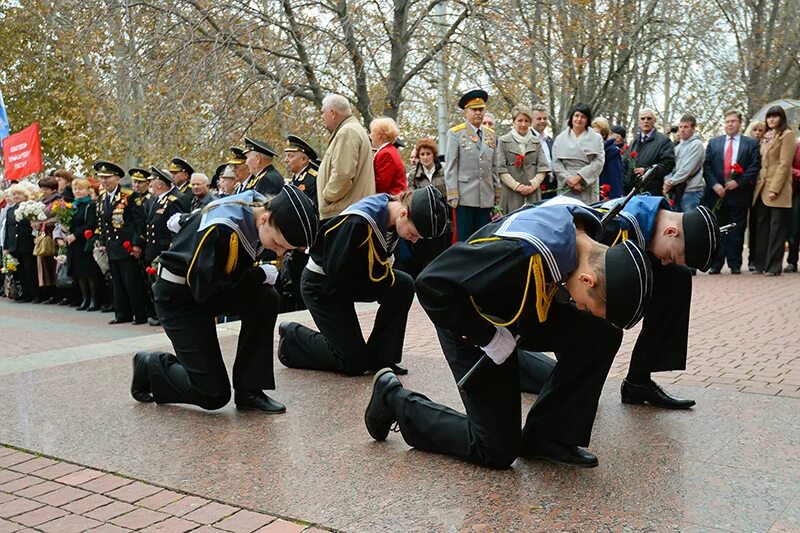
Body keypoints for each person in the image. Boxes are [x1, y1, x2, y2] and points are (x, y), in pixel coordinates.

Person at [364, 201, 654, 468]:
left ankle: (549, 436)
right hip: (469, 321)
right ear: (587, 279)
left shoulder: (584, 235)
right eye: (587, 304)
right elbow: (431, 284)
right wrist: (489, 338)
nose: (580, 308)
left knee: (601, 332)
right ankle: (395, 400)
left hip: (516, 313)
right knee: (497, 449)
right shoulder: (519, 253)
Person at [517, 195, 721, 410]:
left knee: (676, 276)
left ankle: (638, 382)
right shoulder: (616, 228)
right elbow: (572, 291)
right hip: (539, 303)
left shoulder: (653, 216)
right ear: (671, 231)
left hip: (588, 280)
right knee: (596, 314)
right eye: (670, 254)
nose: (665, 260)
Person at [130, 186, 319, 413]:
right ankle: (151, 366)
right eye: (278, 244)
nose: (279, 253)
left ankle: (250, 388)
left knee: (265, 297)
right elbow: (209, 293)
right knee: (212, 394)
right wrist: (259, 274)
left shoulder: (256, 205)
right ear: (266, 219)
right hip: (180, 297)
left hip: (207, 286)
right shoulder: (224, 230)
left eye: (285, 250)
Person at [277, 187, 449, 377]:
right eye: (414, 233)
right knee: (353, 362)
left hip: (354, 279)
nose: (414, 240)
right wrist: (377, 281)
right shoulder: (359, 221)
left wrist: (380, 280)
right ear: (403, 213)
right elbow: (337, 272)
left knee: (403, 285)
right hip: (323, 285)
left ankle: (382, 357)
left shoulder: (391, 212)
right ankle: (292, 338)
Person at [703, 110, 761, 274]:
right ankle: (716, 263)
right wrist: (715, 185)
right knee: (718, 229)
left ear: (740, 123)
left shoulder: (750, 144)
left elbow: (754, 166)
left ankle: (735, 263)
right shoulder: (714, 143)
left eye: (733, 121)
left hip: (739, 193)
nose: (730, 124)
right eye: (727, 121)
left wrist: (739, 182)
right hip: (717, 194)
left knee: (737, 229)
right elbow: (706, 167)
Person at [94, 160, 148, 325]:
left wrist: (137, 243)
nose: (104, 181)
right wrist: (101, 241)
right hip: (112, 246)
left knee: (132, 281)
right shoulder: (103, 198)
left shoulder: (130, 196)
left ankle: (139, 314)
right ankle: (122, 313)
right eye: (101, 178)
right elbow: (103, 223)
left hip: (127, 246)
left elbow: (140, 222)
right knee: (116, 282)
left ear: (117, 178)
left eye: (107, 177)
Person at [445, 89, 498, 241]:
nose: (478, 113)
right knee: (465, 240)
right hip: (465, 196)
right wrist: (452, 193)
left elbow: (494, 165)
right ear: (466, 112)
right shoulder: (456, 133)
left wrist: (497, 190)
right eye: (474, 110)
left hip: (486, 196)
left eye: (481, 109)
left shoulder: (490, 134)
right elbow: (451, 166)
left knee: (483, 239)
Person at [752, 106, 796, 275]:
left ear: (781, 118)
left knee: (777, 228)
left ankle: (774, 267)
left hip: (778, 188)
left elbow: (785, 165)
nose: (771, 120)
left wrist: (775, 189)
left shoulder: (787, 135)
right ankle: (760, 264)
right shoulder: (766, 137)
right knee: (762, 226)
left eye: (775, 117)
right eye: (769, 117)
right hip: (761, 188)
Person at [317, 94, 375, 220]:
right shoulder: (351, 129)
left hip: (343, 213)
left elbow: (343, 174)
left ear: (332, 113)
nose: (322, 117)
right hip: (349, 211)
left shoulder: (347, 132)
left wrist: (327, 197)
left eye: (323, 112)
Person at [405, 138, 451, 274]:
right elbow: (411, 197)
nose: (425, 157)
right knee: (423, 255)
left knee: (442, 254)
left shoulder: (444, 170)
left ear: (434, 155)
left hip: (443, 220)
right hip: (423, 221)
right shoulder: (413, 175)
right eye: (422, 154)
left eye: (428, 154)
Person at [495, 105, 549, 213]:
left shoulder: (536, 141)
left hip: (532, 193)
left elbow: (543, 167)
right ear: (513, 122)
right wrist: (517, 187)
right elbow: (501, 169)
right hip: (511, 193)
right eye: (520, 120)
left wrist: (532, 185)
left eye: (526, 121)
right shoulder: (503, 141)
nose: (523, 124)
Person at [552, 102, 605, 203]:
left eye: (583, 117)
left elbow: (599, 161)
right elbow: (556, 163)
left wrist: (580, 177)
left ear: (587, 120)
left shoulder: (596, 138)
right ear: (571, 117)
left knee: (587, 215)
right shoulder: (560, 138)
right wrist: (569, 180)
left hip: (587, 183)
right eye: (576, 115)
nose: (579, 119)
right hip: (566, 185)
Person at [65, 178, 103, 311]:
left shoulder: (91, 205)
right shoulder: (73, 205)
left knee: (89, 273)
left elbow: (91, 223)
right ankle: (85, 298)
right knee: (79, 273)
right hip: (73, 243)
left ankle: (94, 299)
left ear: (88, 190)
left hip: (85, 242)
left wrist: (76, 235)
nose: (77, 191)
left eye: (80, 189)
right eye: (75, 189)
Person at [625, 109, 675, 196]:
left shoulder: (663, 141)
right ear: (639, 121)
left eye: (649, 118)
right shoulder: (634, 142)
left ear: (654, 121)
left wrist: (646, 171)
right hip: (632, 192)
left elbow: (668, 164)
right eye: (643, 118)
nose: (646, 121)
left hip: (651, 192)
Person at [2, 184, 38, 302]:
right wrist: (6, 246)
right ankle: (25, 292)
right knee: (20, 271)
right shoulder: (10, 210)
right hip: (14, 244)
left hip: (27, 243)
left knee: (30, 270)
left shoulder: (30, 207)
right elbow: (8, 228)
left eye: (19, 194)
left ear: (25, 195)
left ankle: (35, 294)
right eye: (14, 194)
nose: (17, 196)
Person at [663, 114, 705, 213]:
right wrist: (667, 179)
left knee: (689, 225)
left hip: (691, 192)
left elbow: (687, 169)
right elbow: (671, 166)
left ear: (693, 128)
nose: (682, 130)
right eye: (680, 127)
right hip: (676, 191)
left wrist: (671, 182)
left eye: (686, 127)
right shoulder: (677, 147)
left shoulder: (697, 145)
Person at [35, 176, 63, 304]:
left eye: (46, 188)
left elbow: (59, 217)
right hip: (43, 234)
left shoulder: (58, 201)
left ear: (53, 189)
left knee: (54, 263)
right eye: (42, 188)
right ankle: (49, 291)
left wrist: (43, 221)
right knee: (44, 263)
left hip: (53, 234)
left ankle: (58, 293)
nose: (43, 191)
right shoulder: (41, 201)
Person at [744, 120, 766, 271]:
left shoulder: (766, 147)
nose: (758, 133)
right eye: (755, 130)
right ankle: (751, 258)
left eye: (760, 130)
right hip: (746, 190)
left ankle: (756, 258)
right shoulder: (745, 147)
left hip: (762, 191)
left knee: (759, 226)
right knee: (750, 226)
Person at [371, 117, 407, 195]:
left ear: (380, 136)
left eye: (372, 133)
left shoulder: (386, 154)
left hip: (391, 198)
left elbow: (381, 185)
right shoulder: (389, 150)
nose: (370, 136)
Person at [592, 117, 623, 199]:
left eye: (597, 133)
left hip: (604, 195)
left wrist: (613, 199)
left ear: (603, 135)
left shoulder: (612, 152)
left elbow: (615, 178)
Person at [284, 135, 318, 203]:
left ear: (303, 160)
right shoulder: (296, 177)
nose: (286, 160)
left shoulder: (313, 179)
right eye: (286, 156)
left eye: (290, 156)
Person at [786, 128, 800, 273]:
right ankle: (792, 261)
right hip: (797, 191)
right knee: (794, 228)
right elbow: (787, 166)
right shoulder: (795, 146)